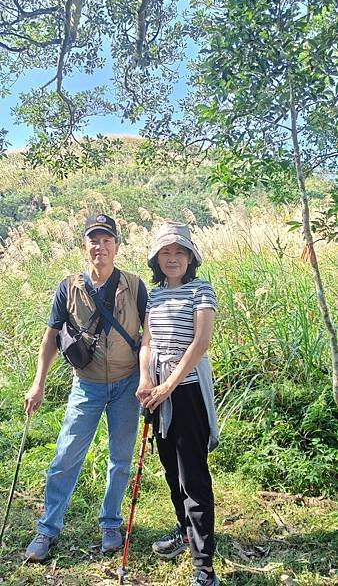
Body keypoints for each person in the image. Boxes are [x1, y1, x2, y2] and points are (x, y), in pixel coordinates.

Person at [24, 213, 147, 562]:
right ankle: (47, 529)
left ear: (117, 246)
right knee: (65, 457)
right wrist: (38, 383)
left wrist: (149, 380)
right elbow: (50, 338)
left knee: (120, 459)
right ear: (85, 246)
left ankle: (110, 523)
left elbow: (148, 336)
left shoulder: (136, 286)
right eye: (94, 240)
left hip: (127, 385)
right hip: (87, 385)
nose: (100, 246)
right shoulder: (69, 287)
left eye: (107, 240)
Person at [136, 221, 219, 586]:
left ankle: (204, 567)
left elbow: (200, 343)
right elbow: (147, 344)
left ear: (190, 258)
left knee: (193, 477)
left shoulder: (201, 290)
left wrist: (169, 383)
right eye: (166, 252)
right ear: (157, 259)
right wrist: (146, 380)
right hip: (158, 391)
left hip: (186, 391)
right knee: (171, 468)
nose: (172, 258)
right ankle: (185, 531)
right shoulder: (153, 296)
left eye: (179, 252)